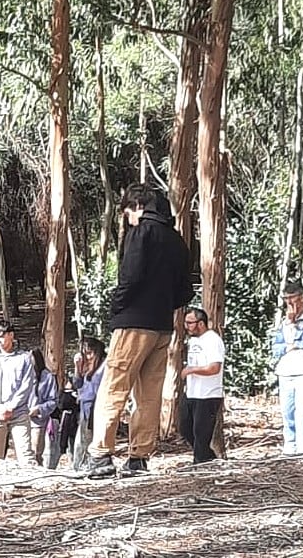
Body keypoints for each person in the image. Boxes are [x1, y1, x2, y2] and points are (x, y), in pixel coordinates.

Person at [87, 185, 192, 477]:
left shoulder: (141, 233)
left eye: (126, 212)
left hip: (133, 322)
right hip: (162, 326)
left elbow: (129, 277)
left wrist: (117, 307)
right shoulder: (177, 240)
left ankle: (100, 455)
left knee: (115, 386)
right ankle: (139, 458)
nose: (126, 218)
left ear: (136, 206)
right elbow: (185, 291)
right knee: (149, 394)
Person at [271, 282, 303, 456]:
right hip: (284, 370)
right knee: (287, 411)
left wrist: (293, 325)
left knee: (302, 410)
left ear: (301, 297)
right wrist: (289, 344)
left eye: (291, 298)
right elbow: (276, 347)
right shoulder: (283, 320)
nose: (289, 302)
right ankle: (290, 447)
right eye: (286, 299)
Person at [0, 321, 37, 467]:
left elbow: (27, 385)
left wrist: (11, 406)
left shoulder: (24, 358)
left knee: (26, 456)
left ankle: (30, 485)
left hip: (19, 414)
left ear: (11, 335)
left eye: (2, 336)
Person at [179, 308, 225, 464]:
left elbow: (214, 368)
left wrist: (192, 370)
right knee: (185, 427)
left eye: (190, 323)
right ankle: (208, 458)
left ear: (201, 323)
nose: (187, 326)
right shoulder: (193, 341)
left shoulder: (213, 340)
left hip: (208, 394)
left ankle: (200, 462)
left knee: (201, 432)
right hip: (192, 392)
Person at [71, 338, 106, 471]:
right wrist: (77, 367)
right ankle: (78, 466)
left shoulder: (104, 366)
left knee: (88, 441)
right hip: (84, 408)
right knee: (80, 442)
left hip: (96, 408)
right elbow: (77, 384)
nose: (88, 357)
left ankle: (87, 466)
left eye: (90, 353)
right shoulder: (87, 367)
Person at [28, 348, 58, 466]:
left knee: (35, 453)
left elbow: (53, 401)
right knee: (23, 453)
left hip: (37, 422)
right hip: (20, 420)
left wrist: (39, 409)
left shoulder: (47, 377)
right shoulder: (22, 376)